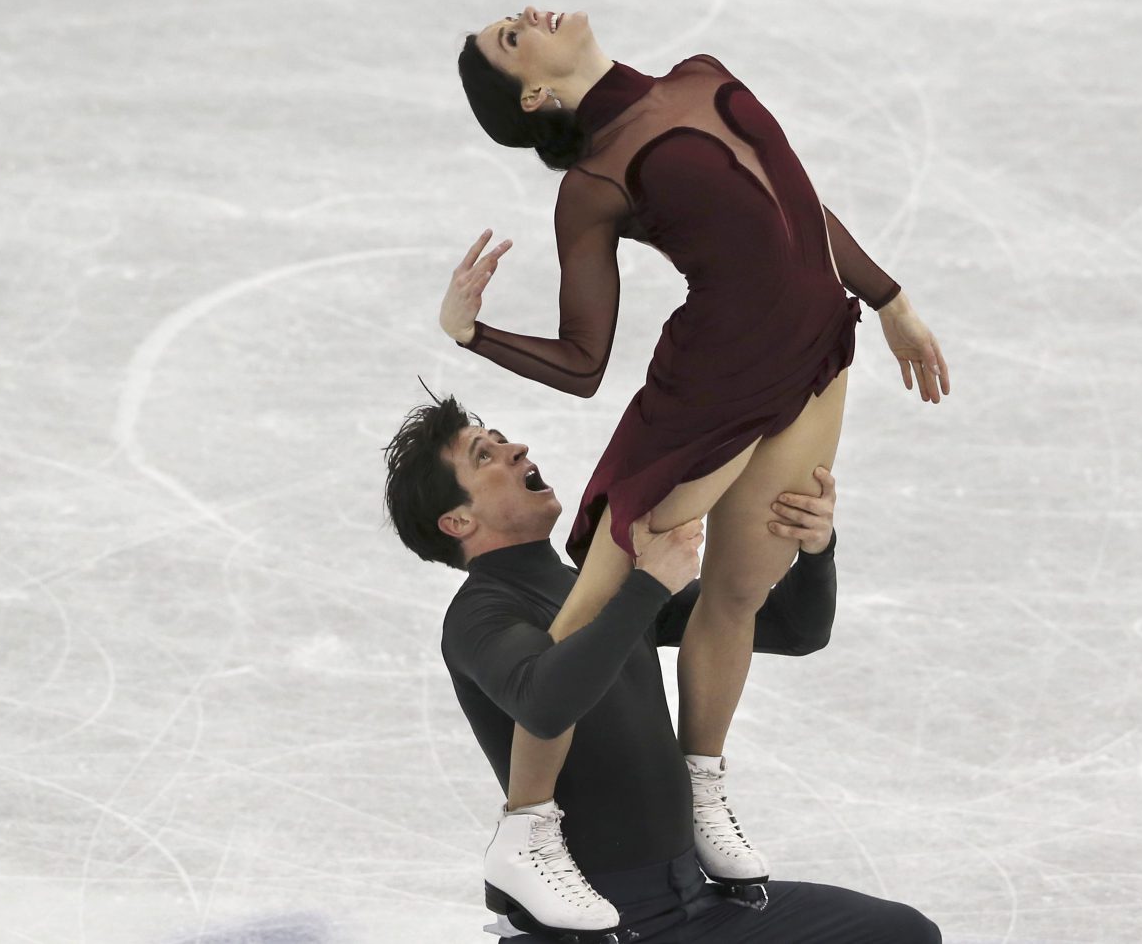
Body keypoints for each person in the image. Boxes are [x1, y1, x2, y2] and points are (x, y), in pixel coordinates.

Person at [443, 5, 951, 936]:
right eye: (511, 41)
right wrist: (471, 334)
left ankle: (702, 787)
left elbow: (800, 207)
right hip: (709, 384)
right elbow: (584, 359)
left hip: (812, 359)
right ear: (537, 93)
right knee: (599, 600)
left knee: (742, 589)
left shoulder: (695, 73)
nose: (524, 15)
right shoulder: (594, 181)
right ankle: (527, 831)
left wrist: (889, 300)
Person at [383, 394, 942, 943]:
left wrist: (816, 549)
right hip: (594, 923)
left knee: (902, 934)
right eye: (484, 456)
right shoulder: (480, 613)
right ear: (457, 521)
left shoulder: (593, 583)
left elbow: (795, 629)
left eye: (502, 441)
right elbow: (544, 701)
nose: (515, 449)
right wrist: (647, 587)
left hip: (692, 901)